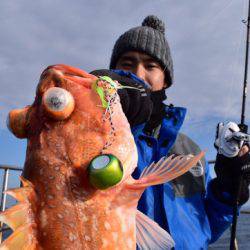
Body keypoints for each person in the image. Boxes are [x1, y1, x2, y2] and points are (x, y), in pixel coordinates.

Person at [91, 15, 250, 249]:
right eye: (127, 63)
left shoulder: (190, 151)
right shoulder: (95, 140)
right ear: (113, 72)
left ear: (165, 80)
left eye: (150, 66)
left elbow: (205, 228)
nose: (138, 73)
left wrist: (229, 188)